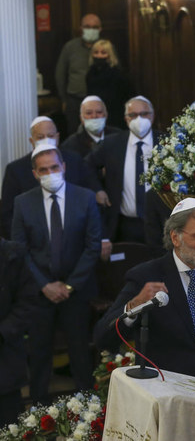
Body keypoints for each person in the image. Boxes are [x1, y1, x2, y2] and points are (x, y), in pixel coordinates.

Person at [93, 198, 195, 405]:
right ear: (175, 237)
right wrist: (134, 306)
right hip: (168, 398)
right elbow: (102, 337)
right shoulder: (146, 276)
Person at [12, 143, 101, 404]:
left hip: (78, 290)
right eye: (43, 169)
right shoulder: (23, 202)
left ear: (63, 167)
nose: (50, 172)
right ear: (35, 174)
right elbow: (20, 251)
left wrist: (70, 286)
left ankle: (88, 409)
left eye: (54, 167)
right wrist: (45, 285)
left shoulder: (85, 198)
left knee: (80, 356)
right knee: (39, 356)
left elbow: (93, 245)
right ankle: (38, 412)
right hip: (39, 294)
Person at [0, 116, 96, 239]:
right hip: (33, 244)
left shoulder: (74, 160)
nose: (46, 140)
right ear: (31, 140)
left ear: (57, 137)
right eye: (40, 137)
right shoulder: (16, 169)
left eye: (50, 136)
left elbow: (88, 200)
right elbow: (7, 215)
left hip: (74, 240)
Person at [87, 95, 157, 244]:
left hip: (160, 224)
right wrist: (97, 189)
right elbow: (86, 165)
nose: (139, 119)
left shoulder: (167, 142)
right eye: (133, 115)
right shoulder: (112, 143)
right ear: (126, 119)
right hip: (125, 225)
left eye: (144, 114)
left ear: (152, 116)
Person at [0, 238, 38, 426]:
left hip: (5, 362)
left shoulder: (12, 255)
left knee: (9, 428)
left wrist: (3, 333)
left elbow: (28, 303)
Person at [55, 13, 102, 136]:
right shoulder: (70, 47)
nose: (91, 30)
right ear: (81, 28)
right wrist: (64, 99)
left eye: (95, 27)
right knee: (75, 134)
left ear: (100, 29)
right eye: (87, 26)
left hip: (100, 101)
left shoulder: (105, 48)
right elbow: (60, 74)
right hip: (75, 100)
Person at [86, 40, 135, 129]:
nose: (99, 56)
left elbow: (128, 97)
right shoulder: (90, 74)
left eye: (103, 53)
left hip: (115, 117)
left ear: (110, 55)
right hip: (96, 116)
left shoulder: (118, 75)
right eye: (96, 52)